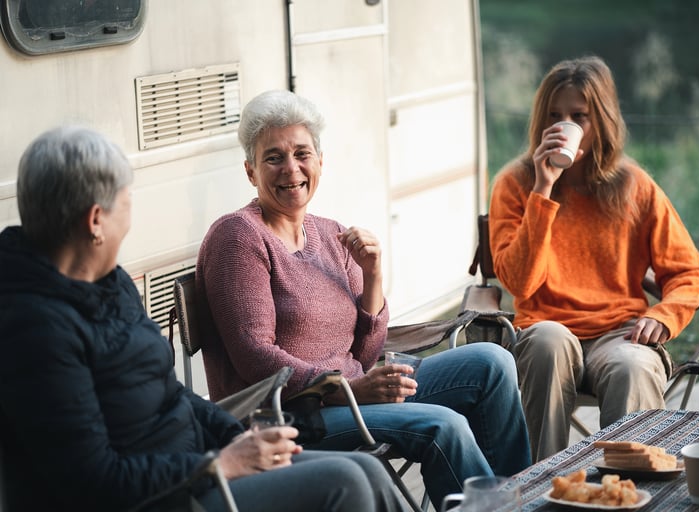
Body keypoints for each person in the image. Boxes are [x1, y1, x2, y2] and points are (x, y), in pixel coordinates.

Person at [0, 125, 406, 512]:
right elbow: (92, 481)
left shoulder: (111, 285)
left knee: (365, 469)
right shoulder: (35, 331)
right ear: (95, 221)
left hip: (197, 467)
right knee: (345, 482)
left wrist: (240, 437)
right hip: (165, 496)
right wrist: (218, 465)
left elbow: (172, 395)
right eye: (126, 203)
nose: (129, 218)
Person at [196, 90, 532, 507]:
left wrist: (373, 277)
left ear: (320, 161)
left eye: (302, 153)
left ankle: (522, 501)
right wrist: (346, 389)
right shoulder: (239, 237)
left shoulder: (330, 233)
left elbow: (368, 352)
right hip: (294, 415)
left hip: (354, 392)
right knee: (443, 425)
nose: (291, 169)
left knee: (492, 363)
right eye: (273, 158)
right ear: (250, 171)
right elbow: (254, 355)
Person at [488, 56, 699, 462]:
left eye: (579, 116)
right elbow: (520, 284)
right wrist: (543, 188)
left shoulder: (633, 186)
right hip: (547, 327)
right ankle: (539, 486)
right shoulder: (514, 184)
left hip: (620, 332)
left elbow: (689, 273)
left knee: (632, 366)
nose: (564, 126)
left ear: (603, 121)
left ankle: (630, 490)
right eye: (553, 115)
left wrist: (662, 316)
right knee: (546, 344)